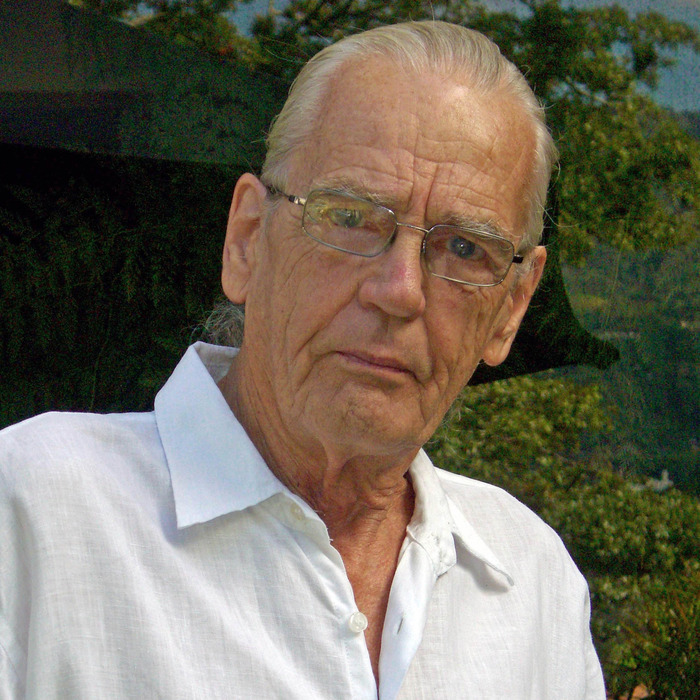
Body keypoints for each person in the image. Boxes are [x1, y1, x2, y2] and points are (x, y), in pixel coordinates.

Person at [0, 20, 605, 700]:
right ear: (247, 240)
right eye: (351, 217)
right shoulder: (32, 514)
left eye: (464, 249)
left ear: (513, 306)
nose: (400, 290)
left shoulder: (533, 584)